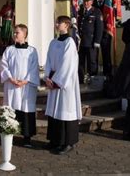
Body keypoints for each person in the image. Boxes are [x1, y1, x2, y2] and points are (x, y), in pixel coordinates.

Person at [44, 16, 82, 155]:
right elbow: (48, 60)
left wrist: (56, 81)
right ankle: (55, 140)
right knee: (55, 111)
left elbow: (68, 64)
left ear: (66, 25)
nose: (56, 24)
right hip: (53, 79)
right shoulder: (53, 42)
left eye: (59, 22)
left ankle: (68, 142)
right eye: (56, 22)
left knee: (66, 111)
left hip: (65, 83)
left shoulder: (69, 42)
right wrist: (47, 77)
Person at [0, 24, 39, 148]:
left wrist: (26, 81)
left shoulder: (32, 51)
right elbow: (3, 65)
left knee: (26, 110)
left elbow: (34, 68)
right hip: (12, 85)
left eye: (17, 33)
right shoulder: (9, 49)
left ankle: (27, 138)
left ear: (24, 34)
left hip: (26, 87)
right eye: (14, 32)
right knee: (10, 109)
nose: (14, 35)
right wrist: (11, 78)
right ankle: (7, 135)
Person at [78, 0, 103, 83]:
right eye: (84, 0)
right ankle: (80, 79)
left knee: (92, 61)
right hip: (81, 41)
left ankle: (92, 78)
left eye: (88, 0)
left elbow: (99, 28)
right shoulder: (80, 11)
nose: (86, 2)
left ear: (92, 2)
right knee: (80, 61)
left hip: (91, 41)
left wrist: (97, 41)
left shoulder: (96, 11)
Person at [93, 0, 113, 78]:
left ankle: (107, 73)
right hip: (95, 32)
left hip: (105, 32)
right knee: (94, 54)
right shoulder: (92, 3)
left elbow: (112, 15)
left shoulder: (108, 3)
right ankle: (94, 72)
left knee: (106, 54)